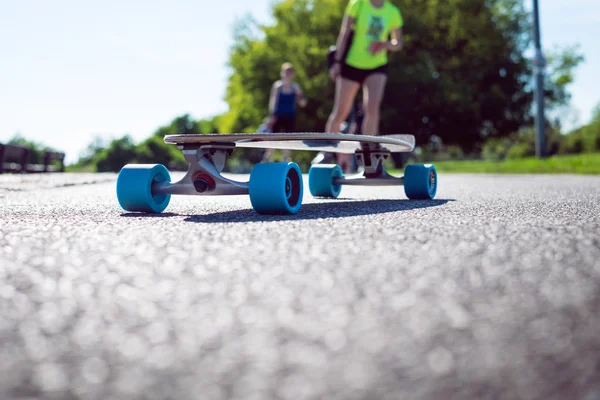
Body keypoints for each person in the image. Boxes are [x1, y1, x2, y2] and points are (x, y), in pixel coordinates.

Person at [326, 0, 404, 172]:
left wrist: (384, 44)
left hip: (377, 64)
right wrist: (337, 61)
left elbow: (398, 43)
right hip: (352, 63)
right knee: (341, 111)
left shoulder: (392, 12)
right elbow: (344, 32)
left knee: (372, 107)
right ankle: (332, 154)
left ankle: (368, 156)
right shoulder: (358, 4)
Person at [262, 62, 307, 162]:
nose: (288, 74)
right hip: (278, 115)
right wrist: (271, 116)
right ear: (282, 72)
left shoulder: (295, 87)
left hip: (290, 116)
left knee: (288, 139)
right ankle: (268, 158)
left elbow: (303, 103)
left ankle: (286, 159)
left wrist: (299, 96)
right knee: (273, 137)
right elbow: (273, 102)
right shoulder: (278, 86)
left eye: (290, 71)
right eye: (286, 71)